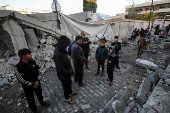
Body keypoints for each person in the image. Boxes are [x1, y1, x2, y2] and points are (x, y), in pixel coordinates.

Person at [15, 48, 49, 113]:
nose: (31, 55)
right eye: (29, 54)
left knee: (39, 94)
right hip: (27, 87)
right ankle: (34, 110)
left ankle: (42, 102)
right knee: (30, 99)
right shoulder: (18, 67)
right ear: (24, 56)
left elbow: (38, 71)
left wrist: (37, 80)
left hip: (37, 83)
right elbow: (20, 79)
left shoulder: (32, 62)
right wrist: (32, 84)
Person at [54, 35, 78, 104]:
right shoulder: (58, 54)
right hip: (64, 75)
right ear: (63, 43)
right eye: (67, 44)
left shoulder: (61, 49)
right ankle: (67, 98)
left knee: (69, 83)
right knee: (65, 86)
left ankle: (70, 93)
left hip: (67, 72)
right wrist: (70, 72)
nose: (67, 45)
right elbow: (60, 69)